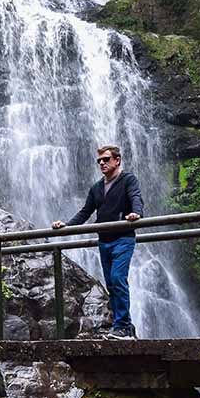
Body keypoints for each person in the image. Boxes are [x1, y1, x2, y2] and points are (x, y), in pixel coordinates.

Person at [52, 144, 143, 338]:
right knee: (111, 284)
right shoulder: (97, 188)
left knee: (118, 279)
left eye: (106, 159)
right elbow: (85, 212)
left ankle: (123, 327)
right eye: (99, 161)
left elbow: (136, 197)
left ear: (117, 160)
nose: (102, 163)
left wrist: (136, 213)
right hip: (104, 241)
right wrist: (66, 226)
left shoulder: (128, 180)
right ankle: (121, 325)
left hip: (123, 238)